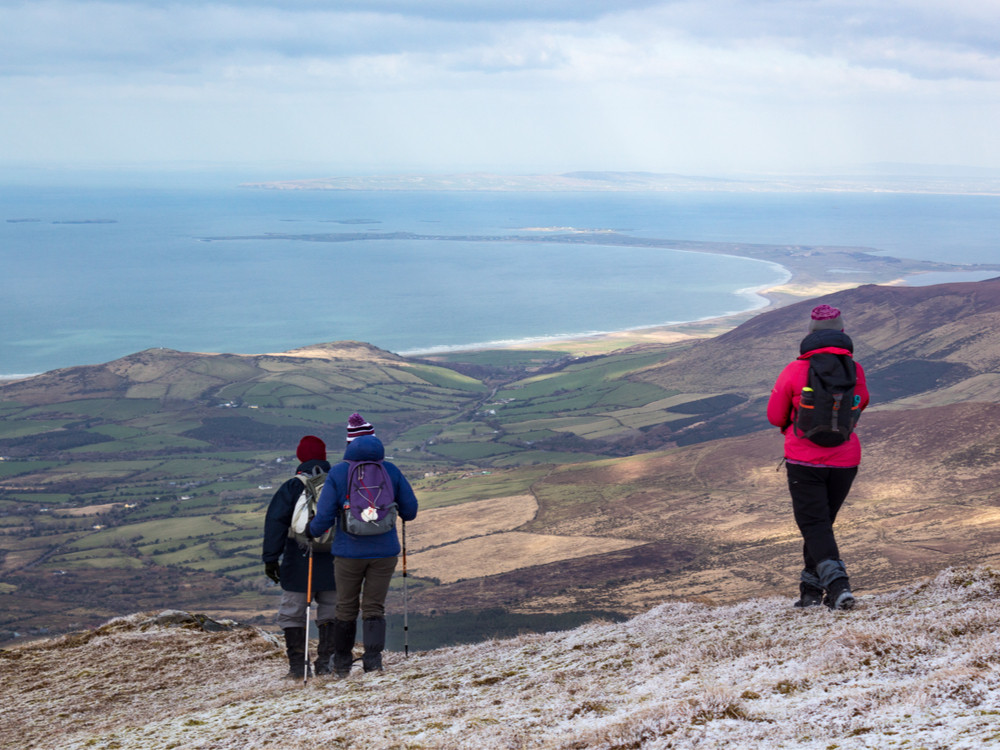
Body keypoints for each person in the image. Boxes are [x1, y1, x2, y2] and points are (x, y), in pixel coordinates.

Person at [767, 304, 870, 610]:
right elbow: (860, 403)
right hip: (845, 460)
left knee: (815, 526)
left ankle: (838, 587)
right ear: (842, 333)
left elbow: (775, 416)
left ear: (810, 334)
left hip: (804, 460)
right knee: (820, 525)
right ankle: (810, 592)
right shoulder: (856, 369)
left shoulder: (795, 370)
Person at [307, 413, 418, 677]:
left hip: (349, 552)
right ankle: (373, 662)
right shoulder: (390, 470)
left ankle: (342, 663)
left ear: (349, 444)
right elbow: (410, 511)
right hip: (385, 552)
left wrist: (312, 531)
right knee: (374, 607)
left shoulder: (339, 472)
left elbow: (323, 516)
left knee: (345, 606)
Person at [262, 435, 337, 678]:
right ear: (324, 457)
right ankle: (326, 663)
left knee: (292, 613)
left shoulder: (292, 486)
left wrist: (271, 558)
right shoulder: (338, 482)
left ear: (300, 457)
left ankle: (298, 669)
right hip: (336, 560)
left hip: (299, 561)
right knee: (332, 611)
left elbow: (275, 522)